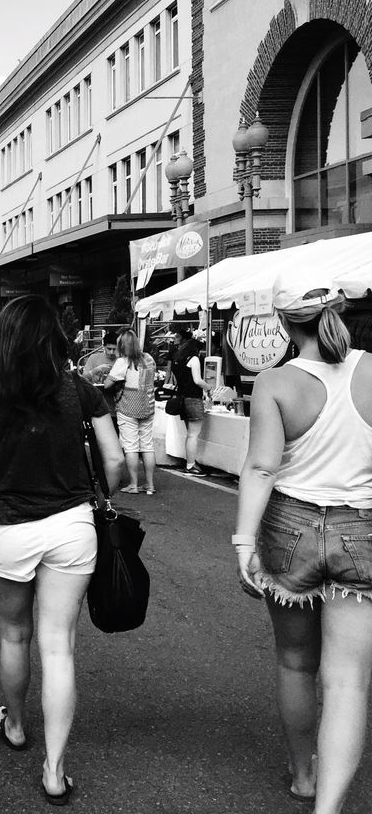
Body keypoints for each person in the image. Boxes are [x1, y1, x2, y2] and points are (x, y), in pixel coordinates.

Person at [0, 295, 124, 806]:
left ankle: (14, 725)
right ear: (52, 336)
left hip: (5, 528)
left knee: (14, 635)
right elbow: (114, 459)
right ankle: (54, 770)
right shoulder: (81, 390)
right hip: (71, 527)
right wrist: (103, 498)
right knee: (59, 646)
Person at [235, 289, 372, 813]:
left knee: (296, 663)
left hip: (288, 527)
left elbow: (262, 467)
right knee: (348, 681)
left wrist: (243, 542)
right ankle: (328, 807)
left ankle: (303, 777)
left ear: (286, 324)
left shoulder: (275, 381)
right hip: (360, 528)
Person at [105, 329, 157, 495]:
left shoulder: (123, 362)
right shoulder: (148, 358)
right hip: (148, 406)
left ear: (122, 345)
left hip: (128, 407)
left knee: (131, 446)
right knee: (147, 446)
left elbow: (107, 384)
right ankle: (149, 484)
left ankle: (134, 484)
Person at [170, 328, 208, 475]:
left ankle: (190, 462)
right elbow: (198, 380)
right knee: (193, 434)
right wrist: (208, 387)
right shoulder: (194, 359)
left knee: (189, 433)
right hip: (193, 398)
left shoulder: (178, 360)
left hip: (182, 398)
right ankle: (191, 465)